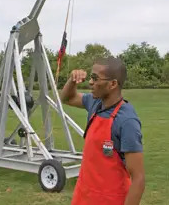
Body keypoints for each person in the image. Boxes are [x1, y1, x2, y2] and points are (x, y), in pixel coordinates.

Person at [60, 57, 145, 205]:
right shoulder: (95, 102)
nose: (90, 82)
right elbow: (67, 98)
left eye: (95, 78)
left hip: (110, 199)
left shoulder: (127, 121)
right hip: (84, 195)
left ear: (112, 84)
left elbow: (138, 178)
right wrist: (72, 80)